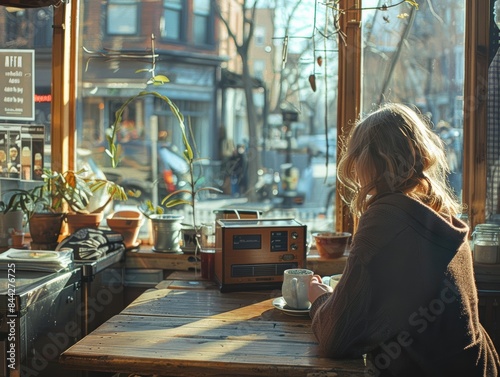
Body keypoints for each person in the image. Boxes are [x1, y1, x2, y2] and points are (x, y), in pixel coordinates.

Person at [308, 103, 500, 376]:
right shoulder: (437, 212)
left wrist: (318, 299)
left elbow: (335, 338)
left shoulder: (385, 217)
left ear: (371, 160)